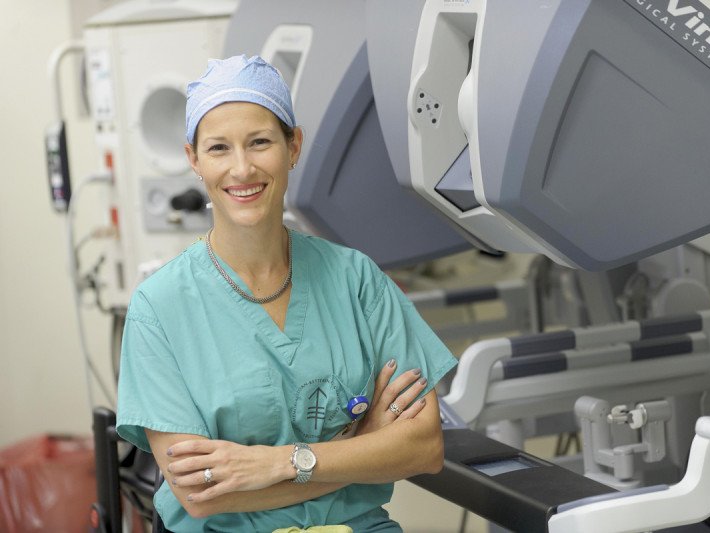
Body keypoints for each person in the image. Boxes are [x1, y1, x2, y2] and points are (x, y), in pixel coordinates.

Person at [115, 55, 458, 532]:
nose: (241, 168)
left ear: (293, 146)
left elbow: (423, 447)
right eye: (219, 148)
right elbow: (200, 496)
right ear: (193, 159)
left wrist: (280, 463)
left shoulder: (355, 280)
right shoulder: (160, 308)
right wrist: (364, 448)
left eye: (260, 142)